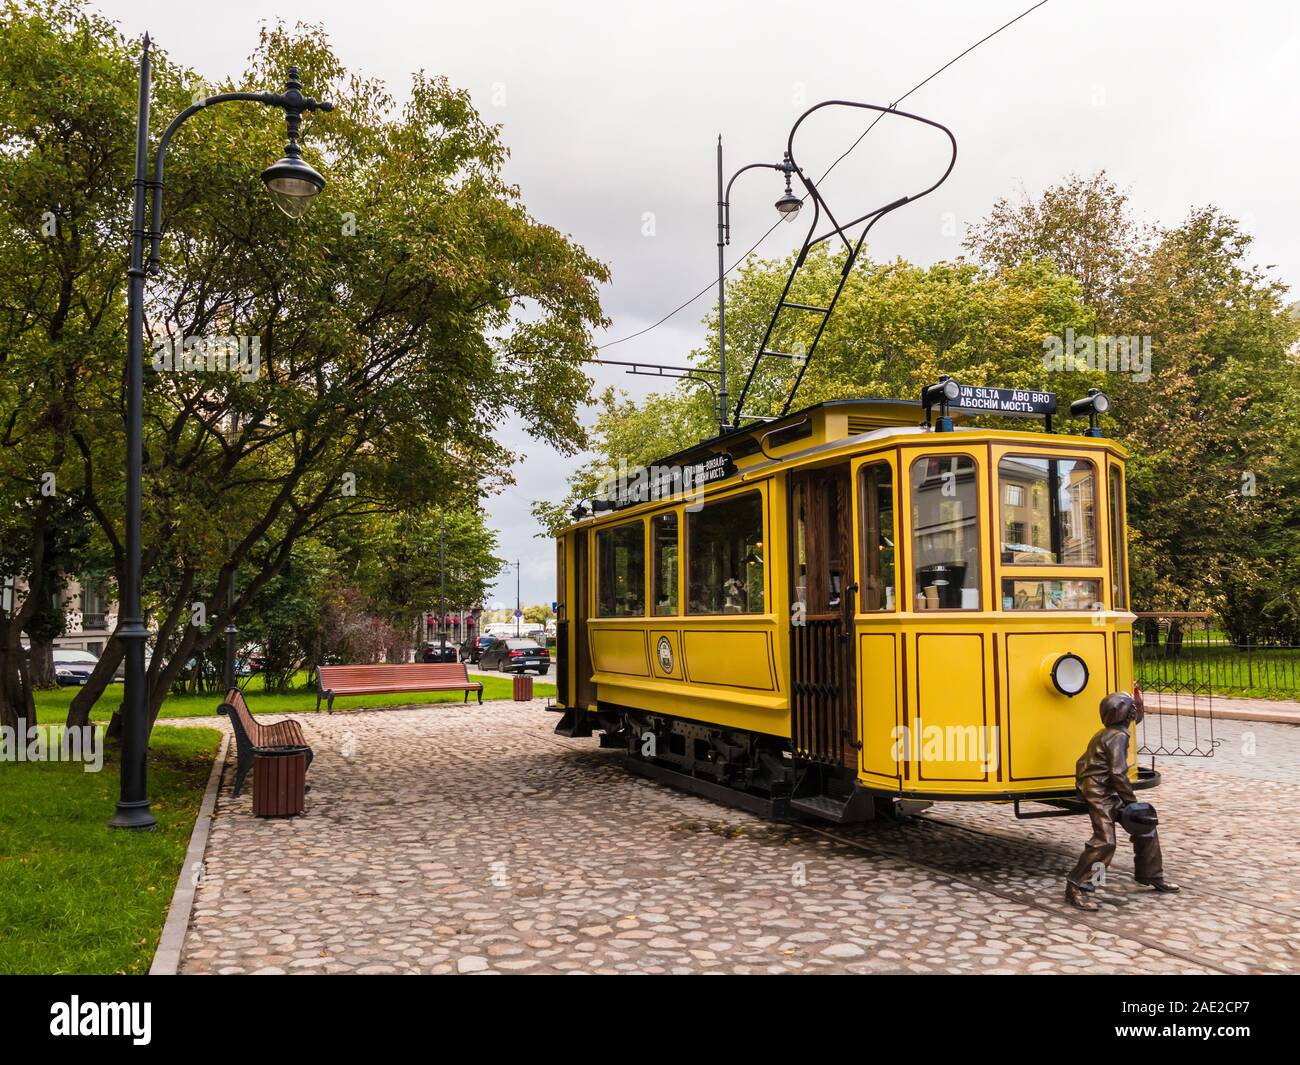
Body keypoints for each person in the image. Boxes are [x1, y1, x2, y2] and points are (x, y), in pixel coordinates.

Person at [1065, 689, 1179, 911]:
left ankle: (1151, 875)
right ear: (1128, 715)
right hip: (1100, 791)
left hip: (1105, 789)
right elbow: (1118, 773)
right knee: (1105, 841)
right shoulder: (1117, 736)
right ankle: (1078, 887)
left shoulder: (1105, 734)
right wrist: (1131, 802)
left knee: (1146, 824)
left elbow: (1082, 762)